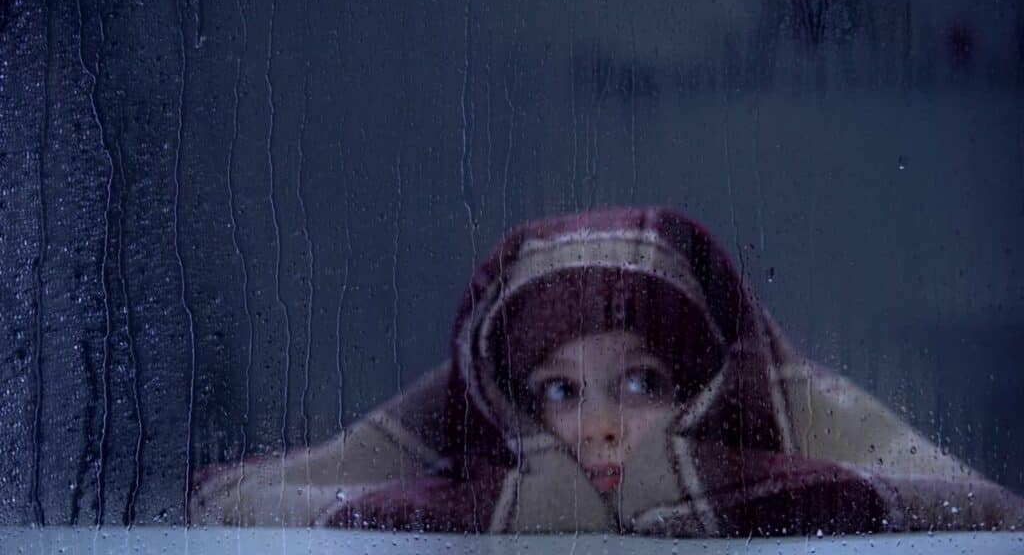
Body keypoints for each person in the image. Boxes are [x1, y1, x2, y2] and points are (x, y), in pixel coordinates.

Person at [190, 207, 1024, 535]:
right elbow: (235, 503)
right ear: (510, 403)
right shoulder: (469, 472)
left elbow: (984, 514)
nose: (600, 425)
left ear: (702, 383)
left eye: (641, 381)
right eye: (559, 390)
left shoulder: (781, 438)